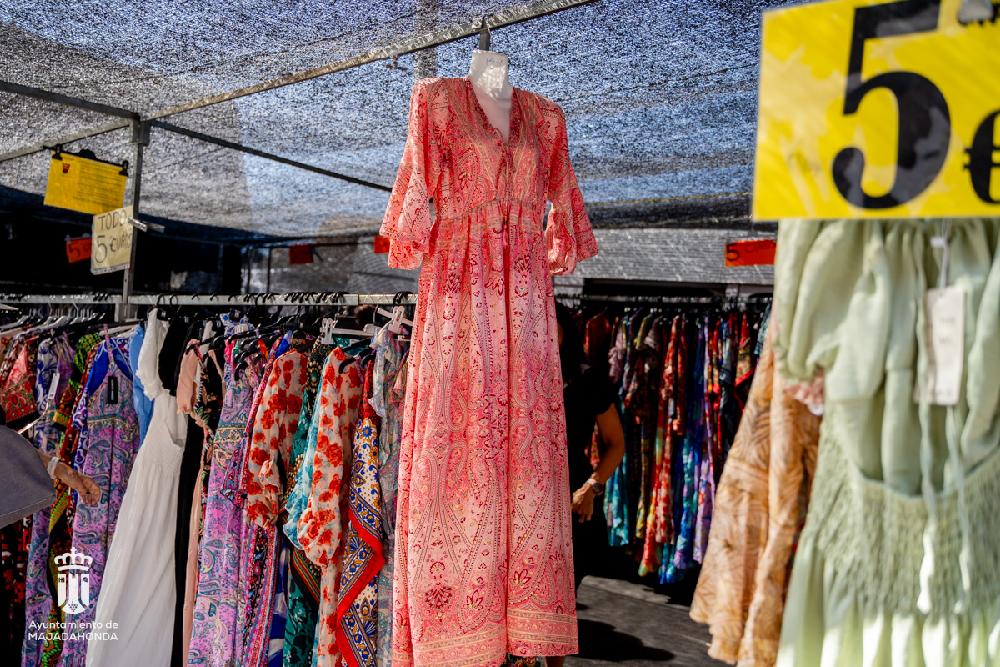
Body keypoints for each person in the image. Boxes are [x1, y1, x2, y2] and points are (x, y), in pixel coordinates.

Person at [546, 304, 626, 667]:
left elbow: (616, 442)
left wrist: (592, 487)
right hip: (522, 500)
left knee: (560, 599)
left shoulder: (587, 378)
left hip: (570, 500)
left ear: (567, 331)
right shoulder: (518, 375)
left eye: (553, 325)